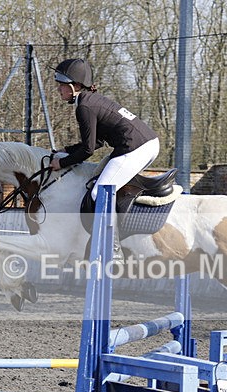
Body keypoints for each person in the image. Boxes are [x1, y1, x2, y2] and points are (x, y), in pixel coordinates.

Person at [49, 58, 160, 261]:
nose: (59, 90)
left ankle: (114, 248)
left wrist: (61, 163)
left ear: (75, 86)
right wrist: (66, 150)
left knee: (100, 192)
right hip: (145, 143)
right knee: (97, 178)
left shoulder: (84, 106)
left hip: (136, 147)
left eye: (62, 85)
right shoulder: (91, 100)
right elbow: (98, 142)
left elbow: (88, 150)